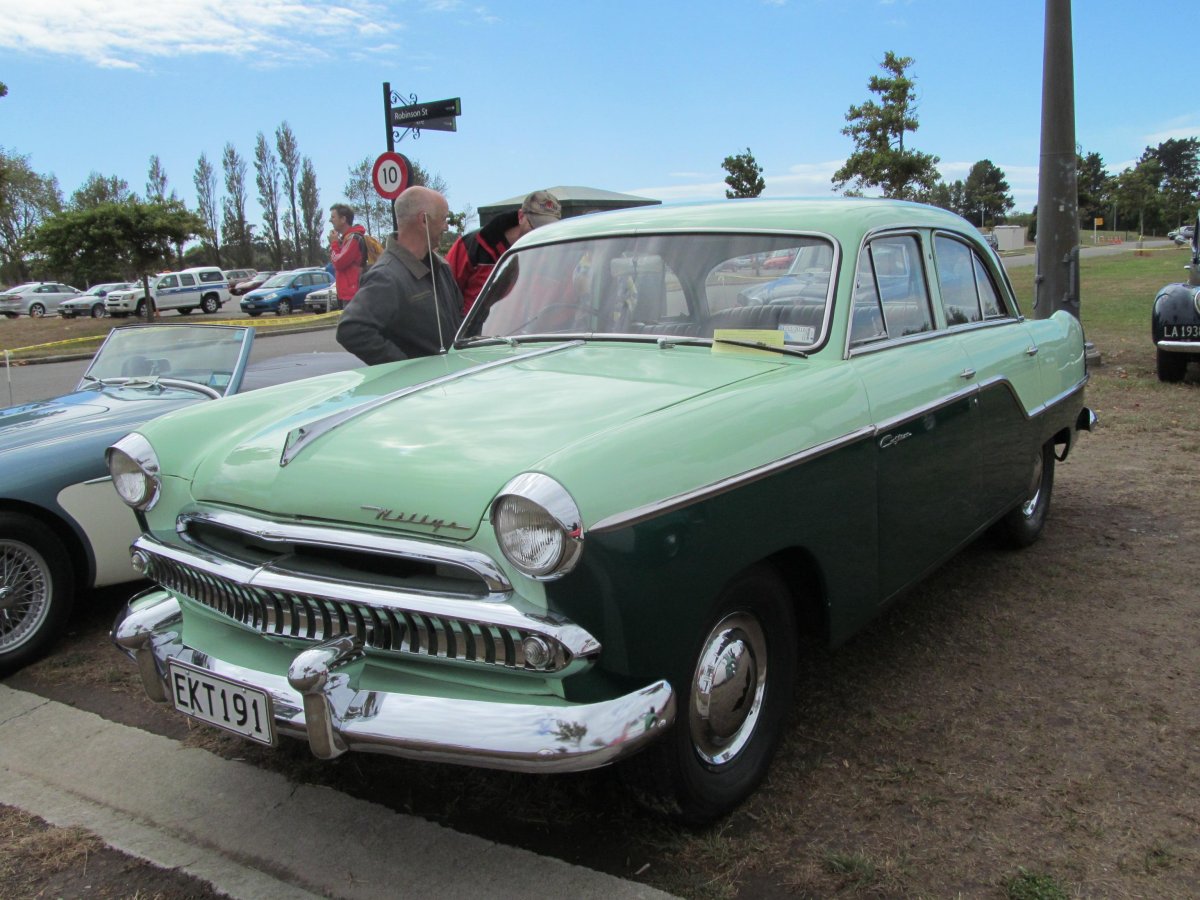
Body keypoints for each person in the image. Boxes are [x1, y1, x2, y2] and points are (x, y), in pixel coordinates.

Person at [336, 186, 464, 365]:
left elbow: (460, 319)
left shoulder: (441, 268)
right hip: (421, 389)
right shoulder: (386, 276)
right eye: (443, 219)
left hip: (451, 382)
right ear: (424, 220)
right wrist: (404, 368)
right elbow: (351, 329)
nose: (446, 226)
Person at [446, 189, 561, 315]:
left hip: (521, 331)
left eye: (548, 229)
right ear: (521, 216)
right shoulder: (473, 245)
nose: (540, 235)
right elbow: (445, 292)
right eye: (536, 226)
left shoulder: (550, 255)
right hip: (474, 331)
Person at [328, 203, 368, 310]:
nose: (330, 220)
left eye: (333, 217)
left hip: (353, 295)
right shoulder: (345, 239)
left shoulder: (353, 239)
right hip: (348, 294)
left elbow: (339, 262)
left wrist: (334, 244)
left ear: (343, 219)